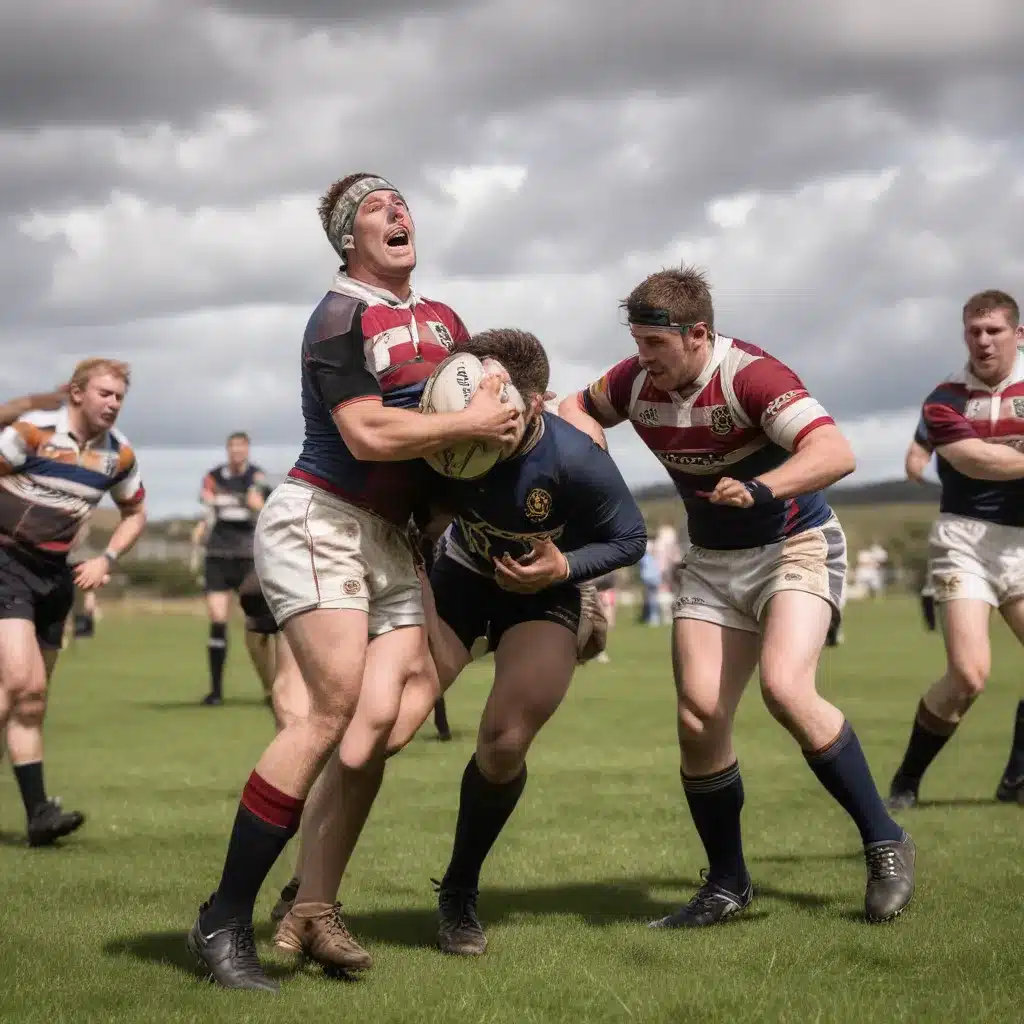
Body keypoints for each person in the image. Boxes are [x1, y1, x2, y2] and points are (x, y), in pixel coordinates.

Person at [187, 172, 519, 992]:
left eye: (402, 202)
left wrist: (503, 447)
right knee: (333, 706)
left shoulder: (446, 323)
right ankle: (223, 919)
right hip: (321, 519)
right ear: (348, 238)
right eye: (375, 208)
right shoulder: (337, 315)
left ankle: (312, 906)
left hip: (396, 542)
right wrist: (475, 423)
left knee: (379, 728)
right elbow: (368, 434)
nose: (397, 212)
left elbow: (451, 455)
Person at [269, 328, 647, 965]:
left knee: (502, 743)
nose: (485, 421)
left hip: (543, 594)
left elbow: (630, 538)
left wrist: (561, 569)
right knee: (379, 731)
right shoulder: (447, 426)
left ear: (534, 405)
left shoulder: (574, 457)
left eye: (504, 410)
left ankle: (460, 891)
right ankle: (311, 889)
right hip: (463, 577)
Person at [559, 265, 915, 926]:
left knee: (785, 688)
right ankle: (727, 885)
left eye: (655, 346)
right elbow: (576, 405)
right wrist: (590, 454)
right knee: (698, 715)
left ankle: (885, 839)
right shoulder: (634, 381)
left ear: (698, 334)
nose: (643, 360)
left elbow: (836, 451)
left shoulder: (752, 376)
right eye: (636, 343)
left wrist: (762, 488)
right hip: (711, 563)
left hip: (794, 547)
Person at [0, 359, 146, 846]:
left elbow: (135, 512)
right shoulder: (34, 432)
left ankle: (39, 814)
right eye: (105, 394)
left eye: (119, 397)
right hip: (5, 563)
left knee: (33, 699)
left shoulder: (117, 455)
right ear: (77, 394)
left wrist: (107, 557)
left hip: (55, 576)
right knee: (21, 679)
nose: (113, 404)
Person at [887, 290, 1024, 808]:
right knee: (968, 675)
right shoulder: (944, 399)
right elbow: (974, 462)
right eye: (974, 330)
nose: (983, 340)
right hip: (964, 539)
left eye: (994, 330)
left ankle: (1016, 776)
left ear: (1018, 334)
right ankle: (906, 780)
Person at [194, 433, 270, 705]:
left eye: (241, 447)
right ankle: (215, 691)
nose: (236, 452)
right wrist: (202, 525)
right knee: (217, 619)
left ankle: (269, 686)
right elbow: (206, 505)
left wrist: (253, 504)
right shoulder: (213, 476)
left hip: (248, 556)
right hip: (217, 555)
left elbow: (262, 507)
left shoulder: (258, 477)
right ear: (228, 450)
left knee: (256, 627)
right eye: (232, 447)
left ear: (247, 451)